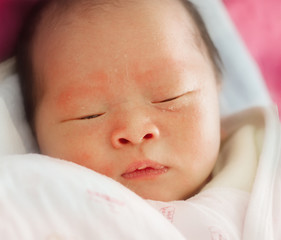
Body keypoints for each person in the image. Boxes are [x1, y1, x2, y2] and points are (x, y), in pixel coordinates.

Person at [16, 0, 281, 238]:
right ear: (35, 135)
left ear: (216, 100)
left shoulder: (263, 170)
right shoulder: (31, 204)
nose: (134, 130)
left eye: (170, 97)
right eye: (88, 113)